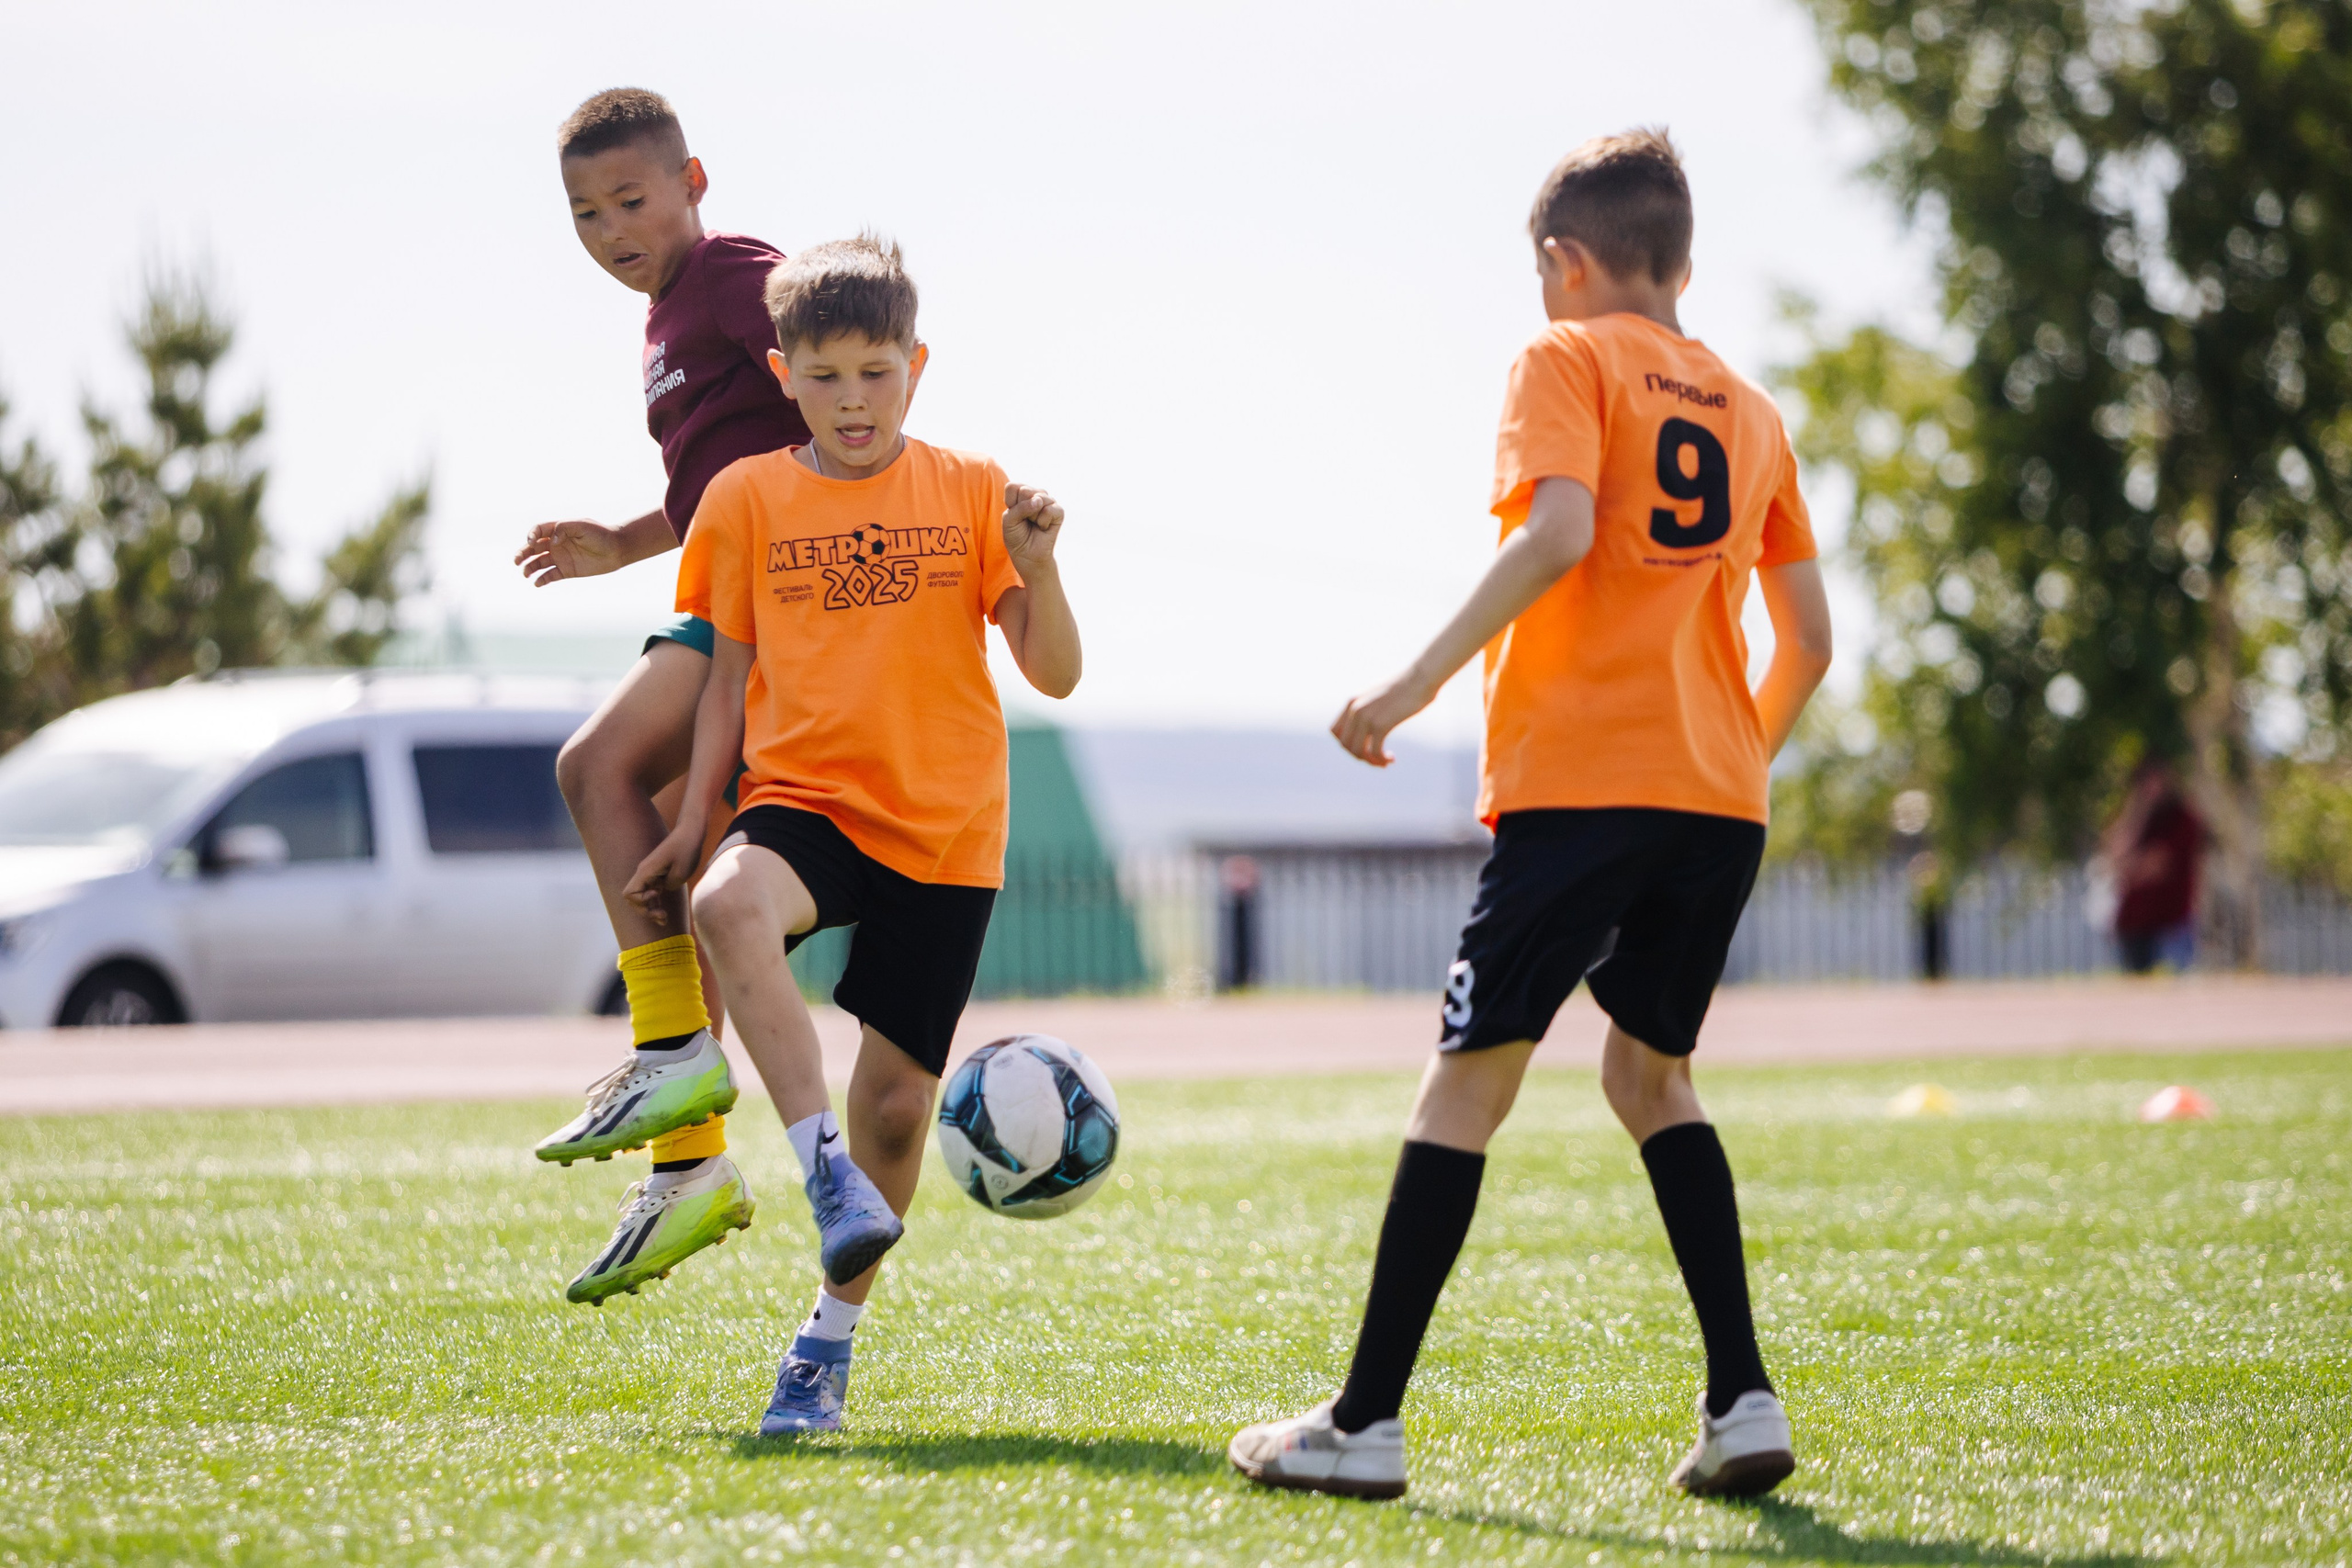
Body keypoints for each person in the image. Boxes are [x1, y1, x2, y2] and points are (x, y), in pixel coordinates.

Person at [1227, 129, 1834, 1502]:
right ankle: (1741, 1399)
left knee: (1470, 1079)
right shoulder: (1755, 410)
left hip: (1583, 786)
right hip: (1715, 800)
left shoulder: (1563, 358)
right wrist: (1728, 752)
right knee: (1647, 1075)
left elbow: (1557, 530)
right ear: (1681, 255)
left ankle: (1364, 1422)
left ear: (1565, 262)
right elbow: (1808, 639)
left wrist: (1408, 681)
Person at [624, 236, 1082, 1434]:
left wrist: (1042, 567)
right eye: (825, 375)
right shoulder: (744, 499)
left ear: (916, 367)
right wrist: (690, 816)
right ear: (783, 372)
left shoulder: (975, 490)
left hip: (945, 823)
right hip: (806, 800)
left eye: (876, 372)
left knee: (896, 1109)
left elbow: (1056, 670)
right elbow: (725, 682)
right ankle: (824, 1173)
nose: (853, 399)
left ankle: (824, 1350)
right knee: (727, 903)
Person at [517, 88, 812, 1307]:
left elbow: (845, 396)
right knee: (680, 880)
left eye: (631, 200)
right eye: (585, 212)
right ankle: (690, 1165)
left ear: (694, 179)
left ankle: (675, 1053)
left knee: (596, 769)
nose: (610, 228)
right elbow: (711, 472)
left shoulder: (741, 274)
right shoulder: (663, 318)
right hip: (709, 588)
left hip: (763, 603)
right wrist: (623, 538)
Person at [2105, 759, 2205, 974]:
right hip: (2134, 925)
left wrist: (2131, 866)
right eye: (2144, 782)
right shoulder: (2140, 819)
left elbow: (2155, 866)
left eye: (2156, 780)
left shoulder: (2182, 819)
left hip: (2170, 926)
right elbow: (2115, 857)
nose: (2151, 788)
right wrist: (2137, 811)